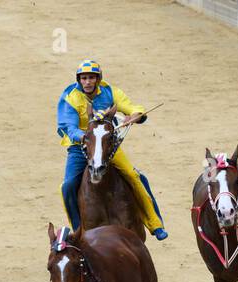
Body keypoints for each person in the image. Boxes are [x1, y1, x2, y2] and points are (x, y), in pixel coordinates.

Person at [56, 60, 166, 239]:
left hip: (107, 145)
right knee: (68, 186)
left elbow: (133, 107)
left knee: (134, 175)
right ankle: (77, 230)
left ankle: (155, 224)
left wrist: (136, 115)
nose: (88, 82)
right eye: (84, 78)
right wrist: (84, 137)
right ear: (79, 80)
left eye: (91, 77)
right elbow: (69, 126)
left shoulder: (110, 92)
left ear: (98, 79)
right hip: (81, 147)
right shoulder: (70, 97)